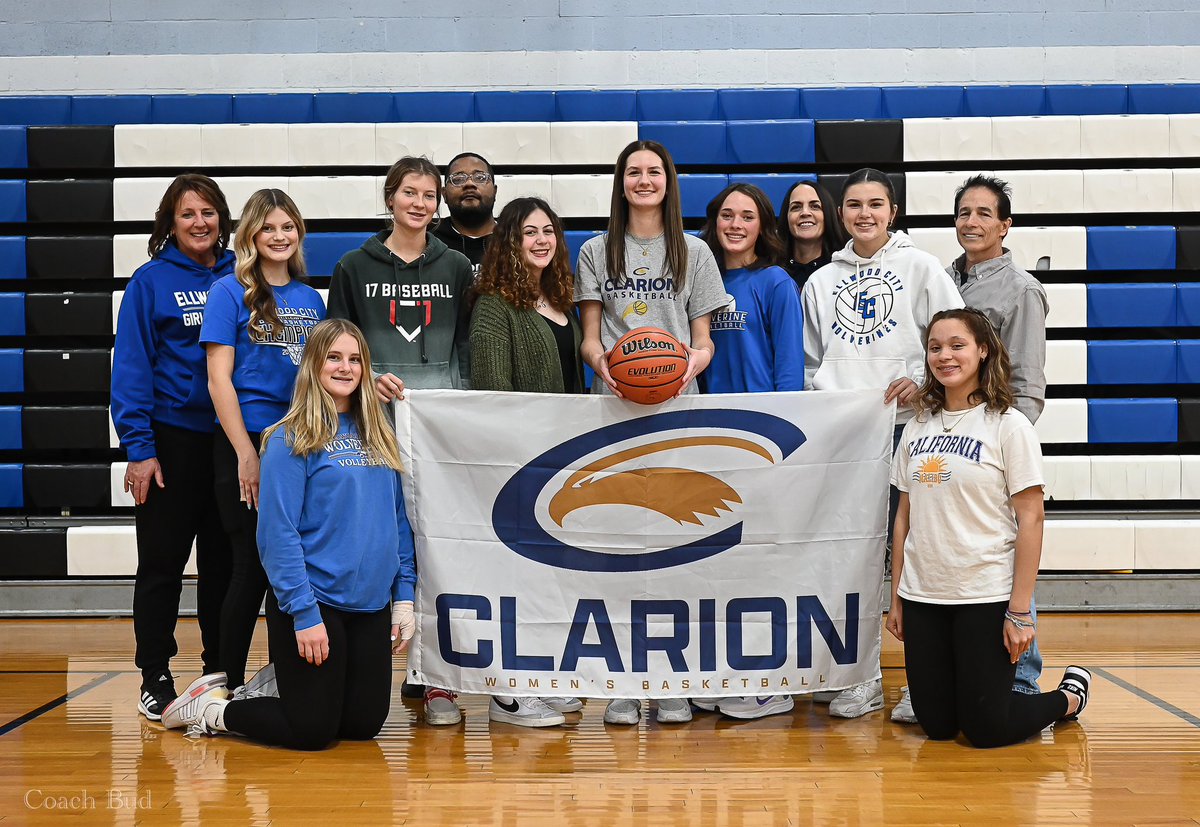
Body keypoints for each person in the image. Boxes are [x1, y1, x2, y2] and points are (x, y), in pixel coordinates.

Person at [159, 319, 418, 751]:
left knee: (362, 724)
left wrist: (404, 597)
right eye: (333, 357)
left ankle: (284, 682)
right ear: (313, 364)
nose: (345, 368)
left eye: (355, 359)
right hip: (316, 603)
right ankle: (213, 709)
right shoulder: (288, 439)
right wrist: (304, 614)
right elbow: (276, 535)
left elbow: (397, 521)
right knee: (313, 731)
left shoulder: (379, 434)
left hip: (370, 603)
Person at [575, 139, 729, 725]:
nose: (643, 181)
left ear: (668, 181)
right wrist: (606, 369)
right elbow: (591, 337)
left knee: (671, 548)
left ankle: (670, 678)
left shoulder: (695, 252)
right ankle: (621, 680)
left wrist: (691, 363)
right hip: (613, 411)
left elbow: (705, 341)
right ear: (621, 182)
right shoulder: (595, 250)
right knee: (615, 547)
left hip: (677, 411)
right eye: (633, 172)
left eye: (653, 172)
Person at [801, 167, 964, 719]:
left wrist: (924, 381)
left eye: (875, 203)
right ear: (840, 214)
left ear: (892, 211)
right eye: (853, 204)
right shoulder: (821, 281)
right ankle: (858, 675)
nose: (864, 213)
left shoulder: (921, 268)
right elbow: (808, 365)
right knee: (854, 556)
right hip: (845, 439)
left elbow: (953, 338)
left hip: (909, 432)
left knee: (914, 553)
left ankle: (927, 683)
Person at [886, 307, 1090, 748]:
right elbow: (903, 517)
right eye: (935, 347)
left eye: (957, 345)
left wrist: (1019, 610)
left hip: (985, 594)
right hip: (924, 594)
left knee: (985, 730)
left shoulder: (1008, 425)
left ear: (982, 350)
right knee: (937, 726)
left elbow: (1031, 518)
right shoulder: (917, 424)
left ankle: (1068, 699)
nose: (945, 356)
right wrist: (896, 597)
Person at [893, 175, 1050, 724]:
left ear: (1005, 225)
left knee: (1001, 550)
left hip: (994, 446)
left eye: (985, 213)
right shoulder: (940, 277)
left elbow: (1027, 383)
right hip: (945, 436)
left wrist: (996, 439)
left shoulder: (1021, 290)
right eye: (964, 212)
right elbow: (937, 356)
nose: (972, 222)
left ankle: (1023, 681)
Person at [328, 155, 472, 724]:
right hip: (373, 429)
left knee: (438, 544)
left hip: (437, 431)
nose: (420, 202)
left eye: (429, 195)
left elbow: (466, 348)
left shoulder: (457, 266)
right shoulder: (352, 266)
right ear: (390, 198)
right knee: (385, 539)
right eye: (409, 192)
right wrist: (369, 376)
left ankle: (434, 676)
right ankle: (362, 660)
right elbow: (333, 349)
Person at [111, 174, 236, 721]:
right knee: (162, 562)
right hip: (171, 440)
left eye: (209, 212)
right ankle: (154, 672)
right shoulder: (150, 282)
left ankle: (219, 671)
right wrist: (139, 448)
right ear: (170, 221)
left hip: (231, 441)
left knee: (224, 564)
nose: (200, 222)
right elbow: (131, 369)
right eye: (189, 214)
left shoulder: (244, 275)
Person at [199, 189, 325, 692]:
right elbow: (218, 381)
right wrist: (246, 455)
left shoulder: (311, 298)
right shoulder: (229, 292)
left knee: (288, 565)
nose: (279, 236)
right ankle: (220, 682)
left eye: (288, 227)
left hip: (297, 441)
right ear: (250, 234)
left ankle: (280, 679)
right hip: (246, 438)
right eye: (269, 228)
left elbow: (320, 378)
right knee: (249, 565)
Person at [468, 197, 584, 727]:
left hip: (566, 460)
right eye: (528, 232)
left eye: (548, 231)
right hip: (521, 462)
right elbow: (494, 393)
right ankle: (508, 693)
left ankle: (545, 677)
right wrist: (518, 458)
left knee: (552, 578)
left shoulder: (563, 300)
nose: (541, 240)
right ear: (508, 242)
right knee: (515, 578)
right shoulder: (495, 304)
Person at [701, 182, 804, 397]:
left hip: (760, 417)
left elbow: (790, 364)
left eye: (748, 217)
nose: (735, 224)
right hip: (706, 413)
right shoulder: (700, 280)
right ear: (715, 222)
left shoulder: (776, 282)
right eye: (727, 215)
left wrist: (785, 415)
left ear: (762, 227)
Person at [433, 152, 498, 276]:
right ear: (444, 194)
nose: (469, 184)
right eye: (458, 179)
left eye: (480, 177)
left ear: (495, 191)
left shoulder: (514, 237)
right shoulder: (428, 241)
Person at [777, 179, 847, 290]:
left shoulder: (844, 269)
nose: (805, 213)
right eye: (796, 207)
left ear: (828, 214)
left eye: (815, 206)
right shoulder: (772, 271)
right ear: (786, 217)